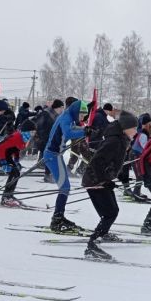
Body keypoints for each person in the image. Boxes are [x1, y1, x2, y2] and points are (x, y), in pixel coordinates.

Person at [82, 111, 139, 259]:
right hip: (95, 181)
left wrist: (117, 180)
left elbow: (115, 164)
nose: (136, 131)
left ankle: (103, 234)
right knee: (110, 212)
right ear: (125, 127)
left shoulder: (121, 139)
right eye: (134, 127)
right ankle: (92, 244)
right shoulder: (114, 141)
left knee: (112, 210)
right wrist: (104, 180)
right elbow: (97, 162)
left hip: (101, 180)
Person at [45, 98, 86, 232]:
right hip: (52, 155)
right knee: (65, 187)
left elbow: (72, 128)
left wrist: (85, 129)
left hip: (55, 155)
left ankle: (59, 217)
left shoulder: (68, 116)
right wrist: (85, 131)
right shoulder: (66, 118)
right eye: (81, 114)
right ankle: (57, 220)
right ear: (76, 111)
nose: (82, 117)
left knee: (65, 187)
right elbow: (68, 132)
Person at [0, 119, 35, 207]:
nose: (32, 134)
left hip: (7, 155)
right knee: (14, 173)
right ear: (26, 131)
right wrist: (4, 163)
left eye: (34, 132)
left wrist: (16, 161)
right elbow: (0, 147)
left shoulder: (22, 137)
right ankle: (5, 198)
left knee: (16, 173)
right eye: (31, 132)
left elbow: (15, 149)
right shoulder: (17, 136)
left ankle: (9, 195)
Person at [34, 99, 64, 182]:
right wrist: (44, 137)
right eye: (61, 107)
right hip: (43, 139)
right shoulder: (46, 113)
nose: (62, 110)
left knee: (52, 155)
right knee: (50, 155)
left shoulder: (56, 116)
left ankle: (49, 173)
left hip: (50, 139)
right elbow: (39, 126)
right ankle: (48, 175)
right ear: (57, 107)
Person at [129, 113, 151, 198]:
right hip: (135, 155)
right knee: (139, 176)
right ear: (146, 124)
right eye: (150, 124)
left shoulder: (145, 133)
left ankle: (137, 192)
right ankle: (136, 193)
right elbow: (145, 147)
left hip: (137, 155)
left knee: (140, 175)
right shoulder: (143, 134)